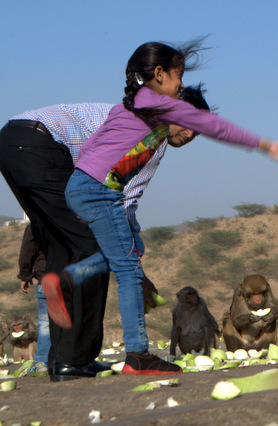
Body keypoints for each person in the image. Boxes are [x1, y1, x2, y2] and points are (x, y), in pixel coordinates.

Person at [43, 39, 278, 375]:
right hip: (99, 188)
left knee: (117, 255)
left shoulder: (130, 107)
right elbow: (216, 126)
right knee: (129, 271)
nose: (181, 85)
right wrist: (267, 145)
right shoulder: (161, 103)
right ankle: (138, 356)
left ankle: (66, 278)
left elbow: (95, 144)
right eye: (178, 76)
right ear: (160, 74)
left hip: (80, 184)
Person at [0, 87, 209, 381]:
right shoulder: (152, 133)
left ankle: (59, 360)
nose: (189, 136)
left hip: (11, 139)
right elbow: (124, 201)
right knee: (91, 245)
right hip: (42, 145)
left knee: (64, 246)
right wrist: (135, 269)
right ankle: (75, 360)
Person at [17, 223, 49, 375]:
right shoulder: (69, 218)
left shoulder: (37, 223)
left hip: (46, 277)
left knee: (45, 323)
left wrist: (25, 274)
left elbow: (27, 250)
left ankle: (43, 361)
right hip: (70, 278)